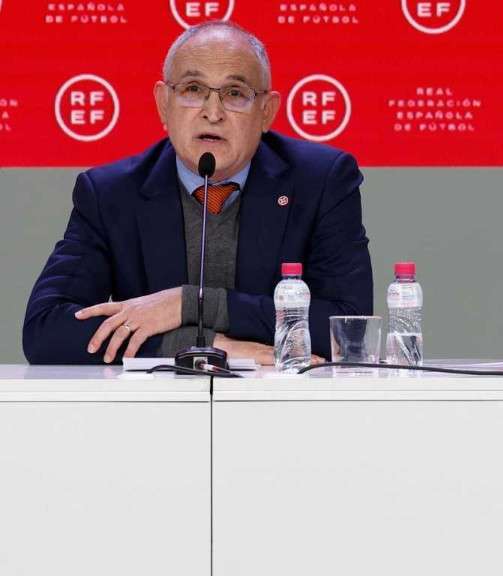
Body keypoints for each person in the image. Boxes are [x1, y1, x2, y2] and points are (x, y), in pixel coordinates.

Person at [23, 21, 372, 365]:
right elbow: (46, 329)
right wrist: (196, 345)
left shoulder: (320, 182)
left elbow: (348, 331)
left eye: (234, 93)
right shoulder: (111, 194)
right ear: (163, 103)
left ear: (266, 112)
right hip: (158, 399)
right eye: (193, 89)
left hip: (279, 396)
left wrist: (189, 303)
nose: (213, 113)